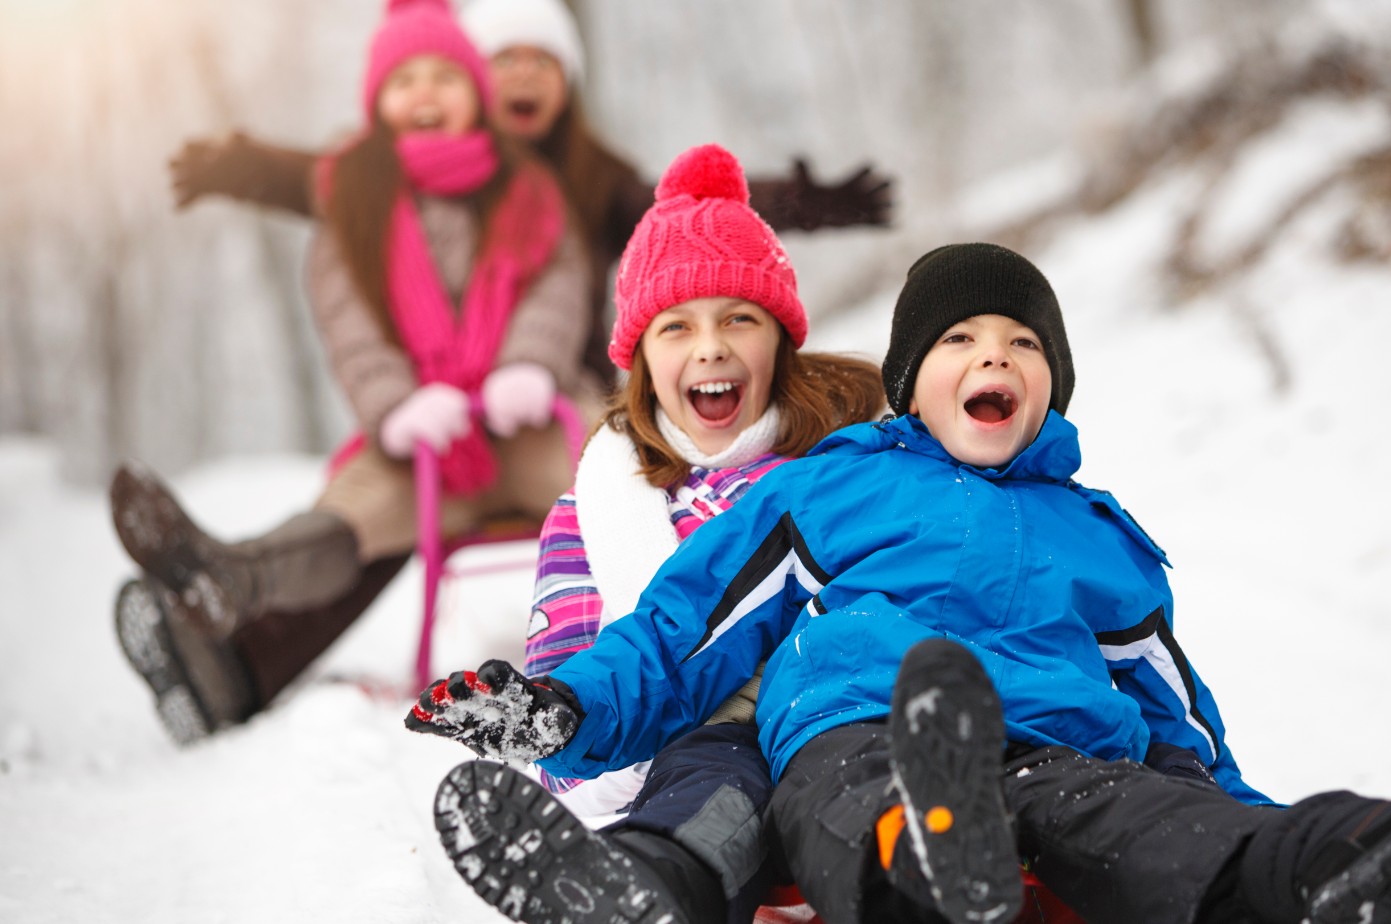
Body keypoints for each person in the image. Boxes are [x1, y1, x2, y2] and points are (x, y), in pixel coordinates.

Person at [407, 242, 1391, 924]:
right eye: (961, 343)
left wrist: (1235, 812)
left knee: (1168, 830)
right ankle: (923, 855)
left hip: (1059, 753)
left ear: (1051, 389)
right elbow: (686, 625)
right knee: (847, 798)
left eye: (1022, 346)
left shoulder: (1097, 536)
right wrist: (563, 710)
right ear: (910, 384)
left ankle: (1384, 865)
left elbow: (1173, 711)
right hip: (860, 729)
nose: (994, 360)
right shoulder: (832, 488)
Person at [406, 142, 882, 924]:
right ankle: (636, 894)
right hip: (692, 755)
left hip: (839, 725)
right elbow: (575, 658)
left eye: (739, 318)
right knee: (717, 784)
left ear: (780, 342)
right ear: (642, 360)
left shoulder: (842, 467)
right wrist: (543, 716)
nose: (710, 347)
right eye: (676, 327)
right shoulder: (596, 510)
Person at [112, 0, 599, 744]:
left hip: (528, 415)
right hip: (425, 435)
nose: (426, 93)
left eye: (444, 75)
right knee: (350, 514)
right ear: (377, 104)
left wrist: (529, 363)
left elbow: (558, 282)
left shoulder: (526, 188)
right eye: (404, 81)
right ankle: (230, 579)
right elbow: (351, 320)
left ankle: (693, 618)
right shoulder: (355, 198)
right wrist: (395, 402)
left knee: (616, 476)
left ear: (476, 91)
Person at [166, 0, 894, 386]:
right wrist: (238, 162)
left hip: (560, 388)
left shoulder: (590, 179)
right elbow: (321, 179)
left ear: (566, 83)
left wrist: (802, 202)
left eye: (541, 61)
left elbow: (685, 209)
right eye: (503, 59)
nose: (522, 76)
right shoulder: (420, 177)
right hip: (437, 393)